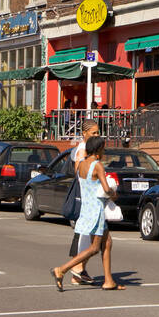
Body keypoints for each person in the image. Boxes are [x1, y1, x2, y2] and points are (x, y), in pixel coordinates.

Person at [51, 135, 123, 291]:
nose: (104, 151)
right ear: (98, 150)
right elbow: (105, 188)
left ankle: (109, 280)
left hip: (86, 209)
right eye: (103, 148)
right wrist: (114, 193)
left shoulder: (82, 164)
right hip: (97, 210)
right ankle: (61, 269)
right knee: (94, 248)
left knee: (107, 242)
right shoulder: (97, 165)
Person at [65, 121, 102, 286]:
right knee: (86, 236)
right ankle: (75, 269)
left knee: (90, 236)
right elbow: (79, 171)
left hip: (91, 198)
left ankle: (79, 272)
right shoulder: (83, 149)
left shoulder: (92, 150)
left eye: (98, 133)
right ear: (84, 134)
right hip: (85, 198)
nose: (96, 136)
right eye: (93, 133)